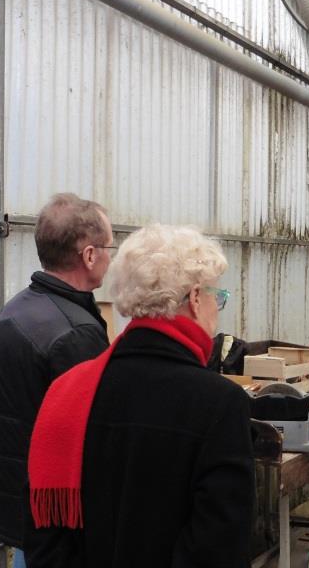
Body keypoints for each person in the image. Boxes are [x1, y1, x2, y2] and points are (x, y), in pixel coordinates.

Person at [28, 224, 255, 567]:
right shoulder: (219, 402)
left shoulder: (69, 390)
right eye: (216, 296)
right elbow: (218, 548)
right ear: (194, 298)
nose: (216, 307)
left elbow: (45, 535)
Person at [0, 193, 114, 567]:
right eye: (108, 247)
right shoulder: (74, 333)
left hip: (17, 508)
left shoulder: (20, 306)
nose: (109, 256)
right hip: (53, 527)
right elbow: (92, 436)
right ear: (89, 255)